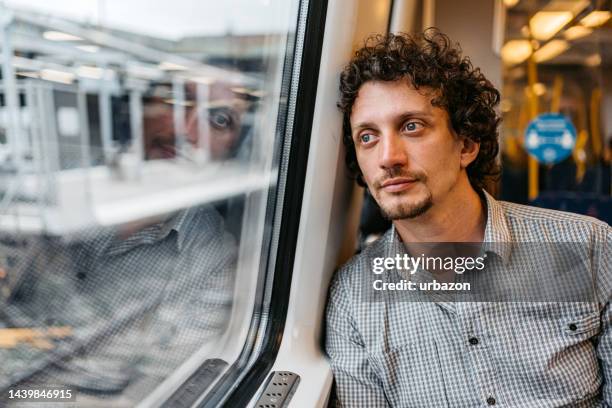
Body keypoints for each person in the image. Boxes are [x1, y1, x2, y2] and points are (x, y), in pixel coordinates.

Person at [325, 29, 611, 407]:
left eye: (411, 126)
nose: (388, 157)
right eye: (367, 136)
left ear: (466, 144)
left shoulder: (588, 249)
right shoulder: (352, 300)